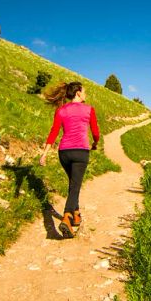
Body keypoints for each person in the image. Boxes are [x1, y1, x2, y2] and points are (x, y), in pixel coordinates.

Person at [39, 81, 100, 238]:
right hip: (80, 152)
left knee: (74, 184)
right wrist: (95, 143)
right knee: (75, 186)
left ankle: (76, 214)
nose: (85, 94)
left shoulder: (61, 110)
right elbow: (95, 132)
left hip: (64, 153)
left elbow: (53, 132)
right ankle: (67, 218)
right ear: (78, 93)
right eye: (84, 91)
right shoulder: (89, 110)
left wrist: (45, 153)